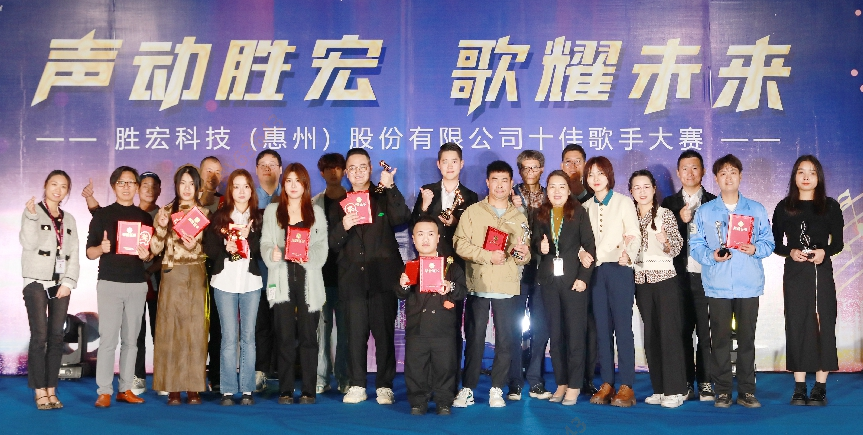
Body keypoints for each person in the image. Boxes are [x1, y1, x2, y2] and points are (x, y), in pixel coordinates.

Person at [690, 154, 775, 408]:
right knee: (720, 341)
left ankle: (747, 391)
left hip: (748, 284)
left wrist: (755, 249)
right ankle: (723, 391)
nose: (728, 178)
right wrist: (712, 256)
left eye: (733, 172)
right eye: (723, 173)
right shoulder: (705, 211)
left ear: (740, 176)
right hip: (717, 286)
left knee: (747, 339)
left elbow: (768, 242)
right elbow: (695, 246)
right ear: (716, 178)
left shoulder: (756, 209)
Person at [329, 148, 411, 405]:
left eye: (362, 167)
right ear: (345, 172)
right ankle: (357, 384)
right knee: (355, 335)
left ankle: (385, 385)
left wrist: (391, 187)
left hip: (383, 278)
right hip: (352, 280)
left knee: (384, 334)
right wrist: (344, 226)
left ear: (370, 169)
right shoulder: (337, 204)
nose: (357, 172)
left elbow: (402, 218)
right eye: (352, 168)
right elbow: (332, 244)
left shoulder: (382, 196)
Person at [452, 160, 531, 408]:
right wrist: (487, 256)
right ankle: (468, 388)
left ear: (511, 184)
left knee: (506, 340)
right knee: (474, 339)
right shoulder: (472, 212)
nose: (499, 185)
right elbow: (459, 244)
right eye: (495, 180)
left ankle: (497, 388)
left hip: (507, 286)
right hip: (479, 284)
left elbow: (524, 256)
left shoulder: (519, 217)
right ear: (487, 182)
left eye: (504, 180)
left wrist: (523, 254)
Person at [81, 171, 163, 396]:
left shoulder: (145, 217)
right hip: (109, 283)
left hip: (137, 284)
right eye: (121, 183)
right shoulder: (102, 215)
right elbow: (89, 252)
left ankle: (126, 389)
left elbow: (150, 254)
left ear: (136, 187)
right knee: (108, 340)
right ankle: (104, 391)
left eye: (130, 183)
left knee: (131, 341)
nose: (126, 187)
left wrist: (147, 255)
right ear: (113, 186)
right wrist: (101, 249)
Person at [772, 155, 844, 406]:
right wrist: (790, 252)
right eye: (801, 172)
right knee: (797, 323)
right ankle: (800, 386)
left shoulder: (830, 206)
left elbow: (838, 243)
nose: (806, 177)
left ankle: (820, 387)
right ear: (794, 176)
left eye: (812, 172)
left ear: (818, 177)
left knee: (824, 322)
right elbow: (775, 243)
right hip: (795, 272)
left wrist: (825, 251)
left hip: (821, 271)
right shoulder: (784, 206)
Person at [410, 142, 479, 393]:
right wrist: (424, 206)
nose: (450, 166)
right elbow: (415, 227)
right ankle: (425, 384)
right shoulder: (427, 191)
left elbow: (474, 232)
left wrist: (455, 222)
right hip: (427, 267)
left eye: (454, 161)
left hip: (455, 269)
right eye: (445, 161)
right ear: (438, 165)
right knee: (425, 326)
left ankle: (450, 385)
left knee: (452, 327)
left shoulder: (471, 197)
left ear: (462, 164)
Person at [262, 163, 328, 405]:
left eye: (297, 181)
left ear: (305, 185)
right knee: (284, 337)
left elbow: (322, 248)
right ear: (283, 184)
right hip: (282, 280)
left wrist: (308, 256)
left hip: (309, 280)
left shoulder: (316, 212)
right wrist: (271, 254)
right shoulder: (272, 211)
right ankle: (286, 389)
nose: (292, 186)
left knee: (309, 337)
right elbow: (265, 243)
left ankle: (309, 390)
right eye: (288, 181)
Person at [579, 156, 641, 407]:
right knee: (602, 329)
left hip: (619, 268)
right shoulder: (584, 207)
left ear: (609, 176)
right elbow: (579, 240)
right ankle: (607, 382)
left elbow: (634, 234)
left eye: (600, 173)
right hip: (595, 272)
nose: (595, 179)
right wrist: (580, 253)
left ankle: (627, 385)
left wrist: (629, 254)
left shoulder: (624, 202)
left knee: (623, 328)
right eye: (591, 174)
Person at [531, 170, 595, 406]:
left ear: (569, 190)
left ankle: (575, 385)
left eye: (561, 187)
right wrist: (540, 247)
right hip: (549, 282)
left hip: (574, 282)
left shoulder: (579, 212)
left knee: (575, 335)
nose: (556, 191)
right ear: (546, 190)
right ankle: (561, 382)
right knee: (555, 335)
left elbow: (589, 246)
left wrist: (584, 278)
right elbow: (535, 243)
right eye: (552, 187)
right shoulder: (540, 213)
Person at [150, 164, 210, 405]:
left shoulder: (204, 213)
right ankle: (173, 387)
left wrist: (195, 246)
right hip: (172, 273)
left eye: (191, 184)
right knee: (170, 329)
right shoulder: (165, 211)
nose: (186, 188)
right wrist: (161, 227)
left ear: (198, 187)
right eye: (182, 183)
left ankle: (194, 387)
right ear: (176, 186)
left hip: (196, 272)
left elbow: (209, 250)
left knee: (196, 330)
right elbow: (155, 249)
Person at [203, 169, 263, 406]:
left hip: (251, 282)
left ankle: (247, 389)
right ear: (230, 191)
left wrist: (248, 238)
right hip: (224, 282)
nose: (241, 191)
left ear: (251, 190)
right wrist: (226, 249)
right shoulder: (219, 217)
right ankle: (227, 389)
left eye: (246, 186)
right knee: (228, 337)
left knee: (248, 337)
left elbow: (263, 250)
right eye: (236, 186)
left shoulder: (259, 217)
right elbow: (209, 250)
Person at [660, 150, 717, 401]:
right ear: (678, 172)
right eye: (685, 168)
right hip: (679, 277)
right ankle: (685, 381)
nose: (690, 173)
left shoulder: (714, 202)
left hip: (707, 276)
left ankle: (705, 381)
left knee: (706, 331)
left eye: (695, 168)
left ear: (702, 171)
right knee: (682, 330)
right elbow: (662, 239)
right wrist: (679, 220)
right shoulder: (668, 204)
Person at [396, 216, 468, 416]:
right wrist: (403, 285)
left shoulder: (451, 266)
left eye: (430, 234)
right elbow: (400, 293)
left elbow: (463, 292)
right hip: (417, 327)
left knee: (445, 366)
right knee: (416, 367)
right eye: (420, 234)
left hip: (443, 328)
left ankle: (444, 401)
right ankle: (418, 401)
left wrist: (450, 286)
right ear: (413, 239)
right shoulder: (409, 266)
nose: (425, 239)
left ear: (438, 238)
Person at [20, 170, 79, 410]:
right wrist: (31, 217)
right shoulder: (32, 211)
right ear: (45, 185)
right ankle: (39, 390)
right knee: (40, 336)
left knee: (56, 336)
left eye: (63, 186)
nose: (58, 190)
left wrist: (69, 282)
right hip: (35, 280)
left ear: (67, 191)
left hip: (60, 283)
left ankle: (51, 388)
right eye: (54, 184)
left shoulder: (69, 219)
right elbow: (29, 243)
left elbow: (73, 253)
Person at [629, 169, 687, 409]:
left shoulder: (665, 214)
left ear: (654, 189)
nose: (642, 192)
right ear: (631, 191)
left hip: (664, 280)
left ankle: (676, 390)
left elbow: (677, 247)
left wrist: (666, 241)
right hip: (641, 281)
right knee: (651, 336)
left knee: (669, 334)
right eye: (636, 187)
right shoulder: (629, 217)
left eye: (646, 186)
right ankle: (660, 388)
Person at [507, 150, 552, 401]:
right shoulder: (509, 194)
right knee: (513, 325)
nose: (530, 172)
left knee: (541, 325)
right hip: (516, 267)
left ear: (542, 169)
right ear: (519, 170)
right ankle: (514, 381)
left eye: (534, 167)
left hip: (543, 267)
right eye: (525, 168)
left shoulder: (551, 194)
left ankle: (535, 379)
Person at [560, 143, 598, 396]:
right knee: (565, 326)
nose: (573, 166)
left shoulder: (596, 193)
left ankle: (587, 378)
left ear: (585, 165)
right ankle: (567, 378)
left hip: (591, 270)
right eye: (568, 161)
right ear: (561, 165)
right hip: (564, 274)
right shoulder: (556, 195)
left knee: (591, 327)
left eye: (578, 161)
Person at [312, 153, 350, 394]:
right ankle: (320, 378)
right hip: (320, 277)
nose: (333, 172)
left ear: (344, 171)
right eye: (328, 168)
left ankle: (344, 378)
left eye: (338, 168)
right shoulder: (313, 203)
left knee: (345, 332)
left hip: (347, 276)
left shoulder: (353, 201)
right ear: (322, 173)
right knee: (321, 332)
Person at [253, 149, 282, 391]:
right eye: (263, 164)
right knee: (260, 326)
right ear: (256, 170)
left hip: (285, 275)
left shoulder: (292, 194)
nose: (267, 168)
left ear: (280, 169)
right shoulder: (248, 197)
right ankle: (261, 370)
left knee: (284, 325)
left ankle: (284, 372)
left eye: (272, 164)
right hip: (257, 274)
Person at [199, 156, 225, 392]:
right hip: (191, 270)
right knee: (194, 325)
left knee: (217, 324)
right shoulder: (185, 200)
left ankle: (216, 376)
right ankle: (193, 377)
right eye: (208, 170)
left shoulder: (225, 203)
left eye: (217, 172)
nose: (212, 176)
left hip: (218, 270)